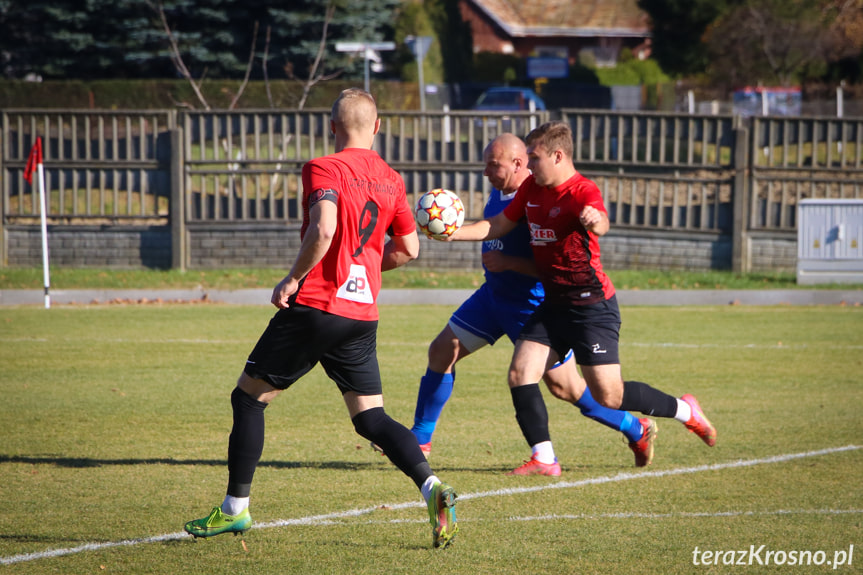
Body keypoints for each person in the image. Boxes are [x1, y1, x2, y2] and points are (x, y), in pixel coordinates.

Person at [184, 88, 458, 550]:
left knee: (249, 398)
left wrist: (293, 278)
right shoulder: (392, 179)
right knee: (371, 418)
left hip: (317, 306)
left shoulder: (324, 167)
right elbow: (409, 249)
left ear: (332, 127)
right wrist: (367, 266)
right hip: (361, 314)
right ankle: (432, 489)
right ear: (376, 127)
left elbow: (325, 228)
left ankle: (234, 510)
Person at [446, 121, 717, 456]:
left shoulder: (583, 191)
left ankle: (685, 410)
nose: (529, 164)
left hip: (590, 306)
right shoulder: (532, 189)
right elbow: (498, 225)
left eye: (535, 157)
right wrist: (451, 232)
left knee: (609, 395)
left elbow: (602, 221)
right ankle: (544, 459)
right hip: (552, 305)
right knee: (520, 373)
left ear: (558, 156)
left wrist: (595, 220)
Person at [410, 133, 657, 475]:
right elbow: (491, 228)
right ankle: (420, 439)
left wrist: (512, 264)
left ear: (518, 163)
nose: (485, 172)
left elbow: (552, 265)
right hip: (493, 297)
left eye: (492, 165)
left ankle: (635, 428)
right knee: (441, 350)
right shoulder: (501, 193)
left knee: (567, 388)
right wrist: (452, 232)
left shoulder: (535, 197)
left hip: (530, 304)